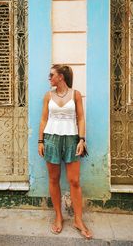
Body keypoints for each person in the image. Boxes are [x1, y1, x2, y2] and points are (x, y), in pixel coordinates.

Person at [38, 64, 93, 239]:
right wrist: (40, 141)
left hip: (71, 139)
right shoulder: (48, 96)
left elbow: (81, 118)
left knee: (74, 180)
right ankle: (59, 217)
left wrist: (81, 139)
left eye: (51, 75)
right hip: (51, 139)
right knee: (54, 179)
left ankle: (78, 219)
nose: (49, 78)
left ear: (61, 76)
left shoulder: (75, 94)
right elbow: (44, 119)